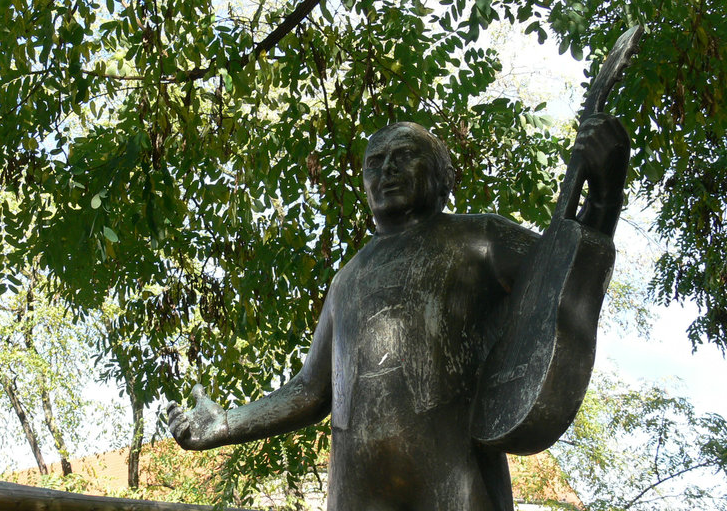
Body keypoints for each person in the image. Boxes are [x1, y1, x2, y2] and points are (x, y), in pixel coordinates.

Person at [168, 116, 629, 510]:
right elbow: (310, 389)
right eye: (374, 162)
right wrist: (226, 423)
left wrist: (604, 199)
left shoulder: (480, 238)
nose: (386, 169)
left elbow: (566, 281)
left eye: (403, 155)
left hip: (456, 472)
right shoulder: (347, 278)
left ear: (442, 175)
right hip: (357, 482)